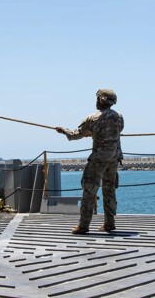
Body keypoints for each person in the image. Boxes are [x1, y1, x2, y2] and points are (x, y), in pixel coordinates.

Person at [56, 89, 124, 234]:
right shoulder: (119, 117)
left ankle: (84, 225)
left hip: (98, 159)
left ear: (101, 100)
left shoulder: (92, 118)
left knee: (89, 190)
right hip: (114, 158)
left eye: (97, 98)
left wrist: (64, 131)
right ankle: (109, 224)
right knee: (110, 190)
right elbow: (117, 131)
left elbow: (76, 134)